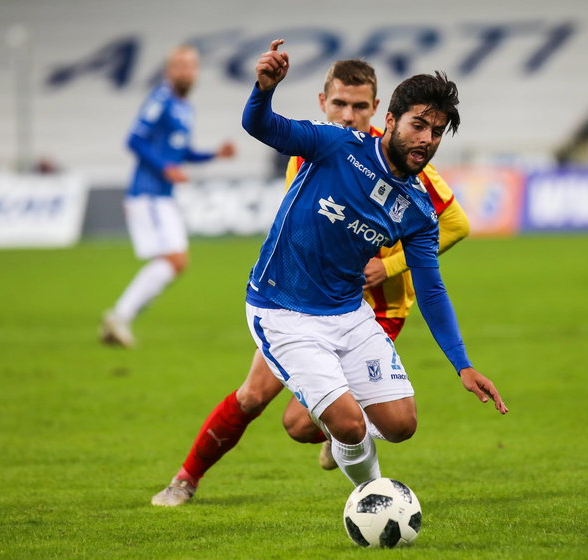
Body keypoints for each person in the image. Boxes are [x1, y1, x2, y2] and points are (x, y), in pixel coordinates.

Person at [151, 58, 472, 506]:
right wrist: (263, 88)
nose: (347, 115)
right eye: (339, 103)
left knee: (310, 423)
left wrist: (389, 266)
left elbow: (454, 225)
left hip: (372, 309)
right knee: (253, 396)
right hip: (293, 304)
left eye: (359, 107)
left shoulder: (412, 168)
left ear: (378, 111)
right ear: (323, 102)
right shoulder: (321, 148)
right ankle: (186, 478)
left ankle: (349, 439)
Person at [242, 39, 504, 486]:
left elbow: (432, 288)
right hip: (283, 309)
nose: (426, 139)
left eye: (437, 132)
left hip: (348, 313)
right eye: (418, 124)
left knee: (402, 425)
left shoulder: (419, 210)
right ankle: (372, 495)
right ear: (390, 120)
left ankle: (353, 452)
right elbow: (260, 125)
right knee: (348, 424)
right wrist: (264, 88)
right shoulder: (335, 144)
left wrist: (463, 365)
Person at [101, 45, 236, 348]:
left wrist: (215, 154)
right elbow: (134, 139)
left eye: (191, 66)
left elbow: (183, 152)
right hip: (148, 193)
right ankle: (120, 316)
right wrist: (165, 169)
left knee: (175, 262)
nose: (186, 71)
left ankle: (122, 315)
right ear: (168, 70)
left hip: (162, 195)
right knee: (174, 260)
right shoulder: (160, 99)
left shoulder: (185, 107)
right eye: (180, 66)